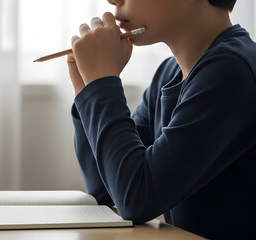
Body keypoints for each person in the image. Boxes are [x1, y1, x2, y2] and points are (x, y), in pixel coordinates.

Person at [67, 0, 256, 239]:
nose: (113, 0)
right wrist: (88, 91)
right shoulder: (168, 74)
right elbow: (107, 191)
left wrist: (101, 86)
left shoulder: (230, 71)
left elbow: (136, 199)